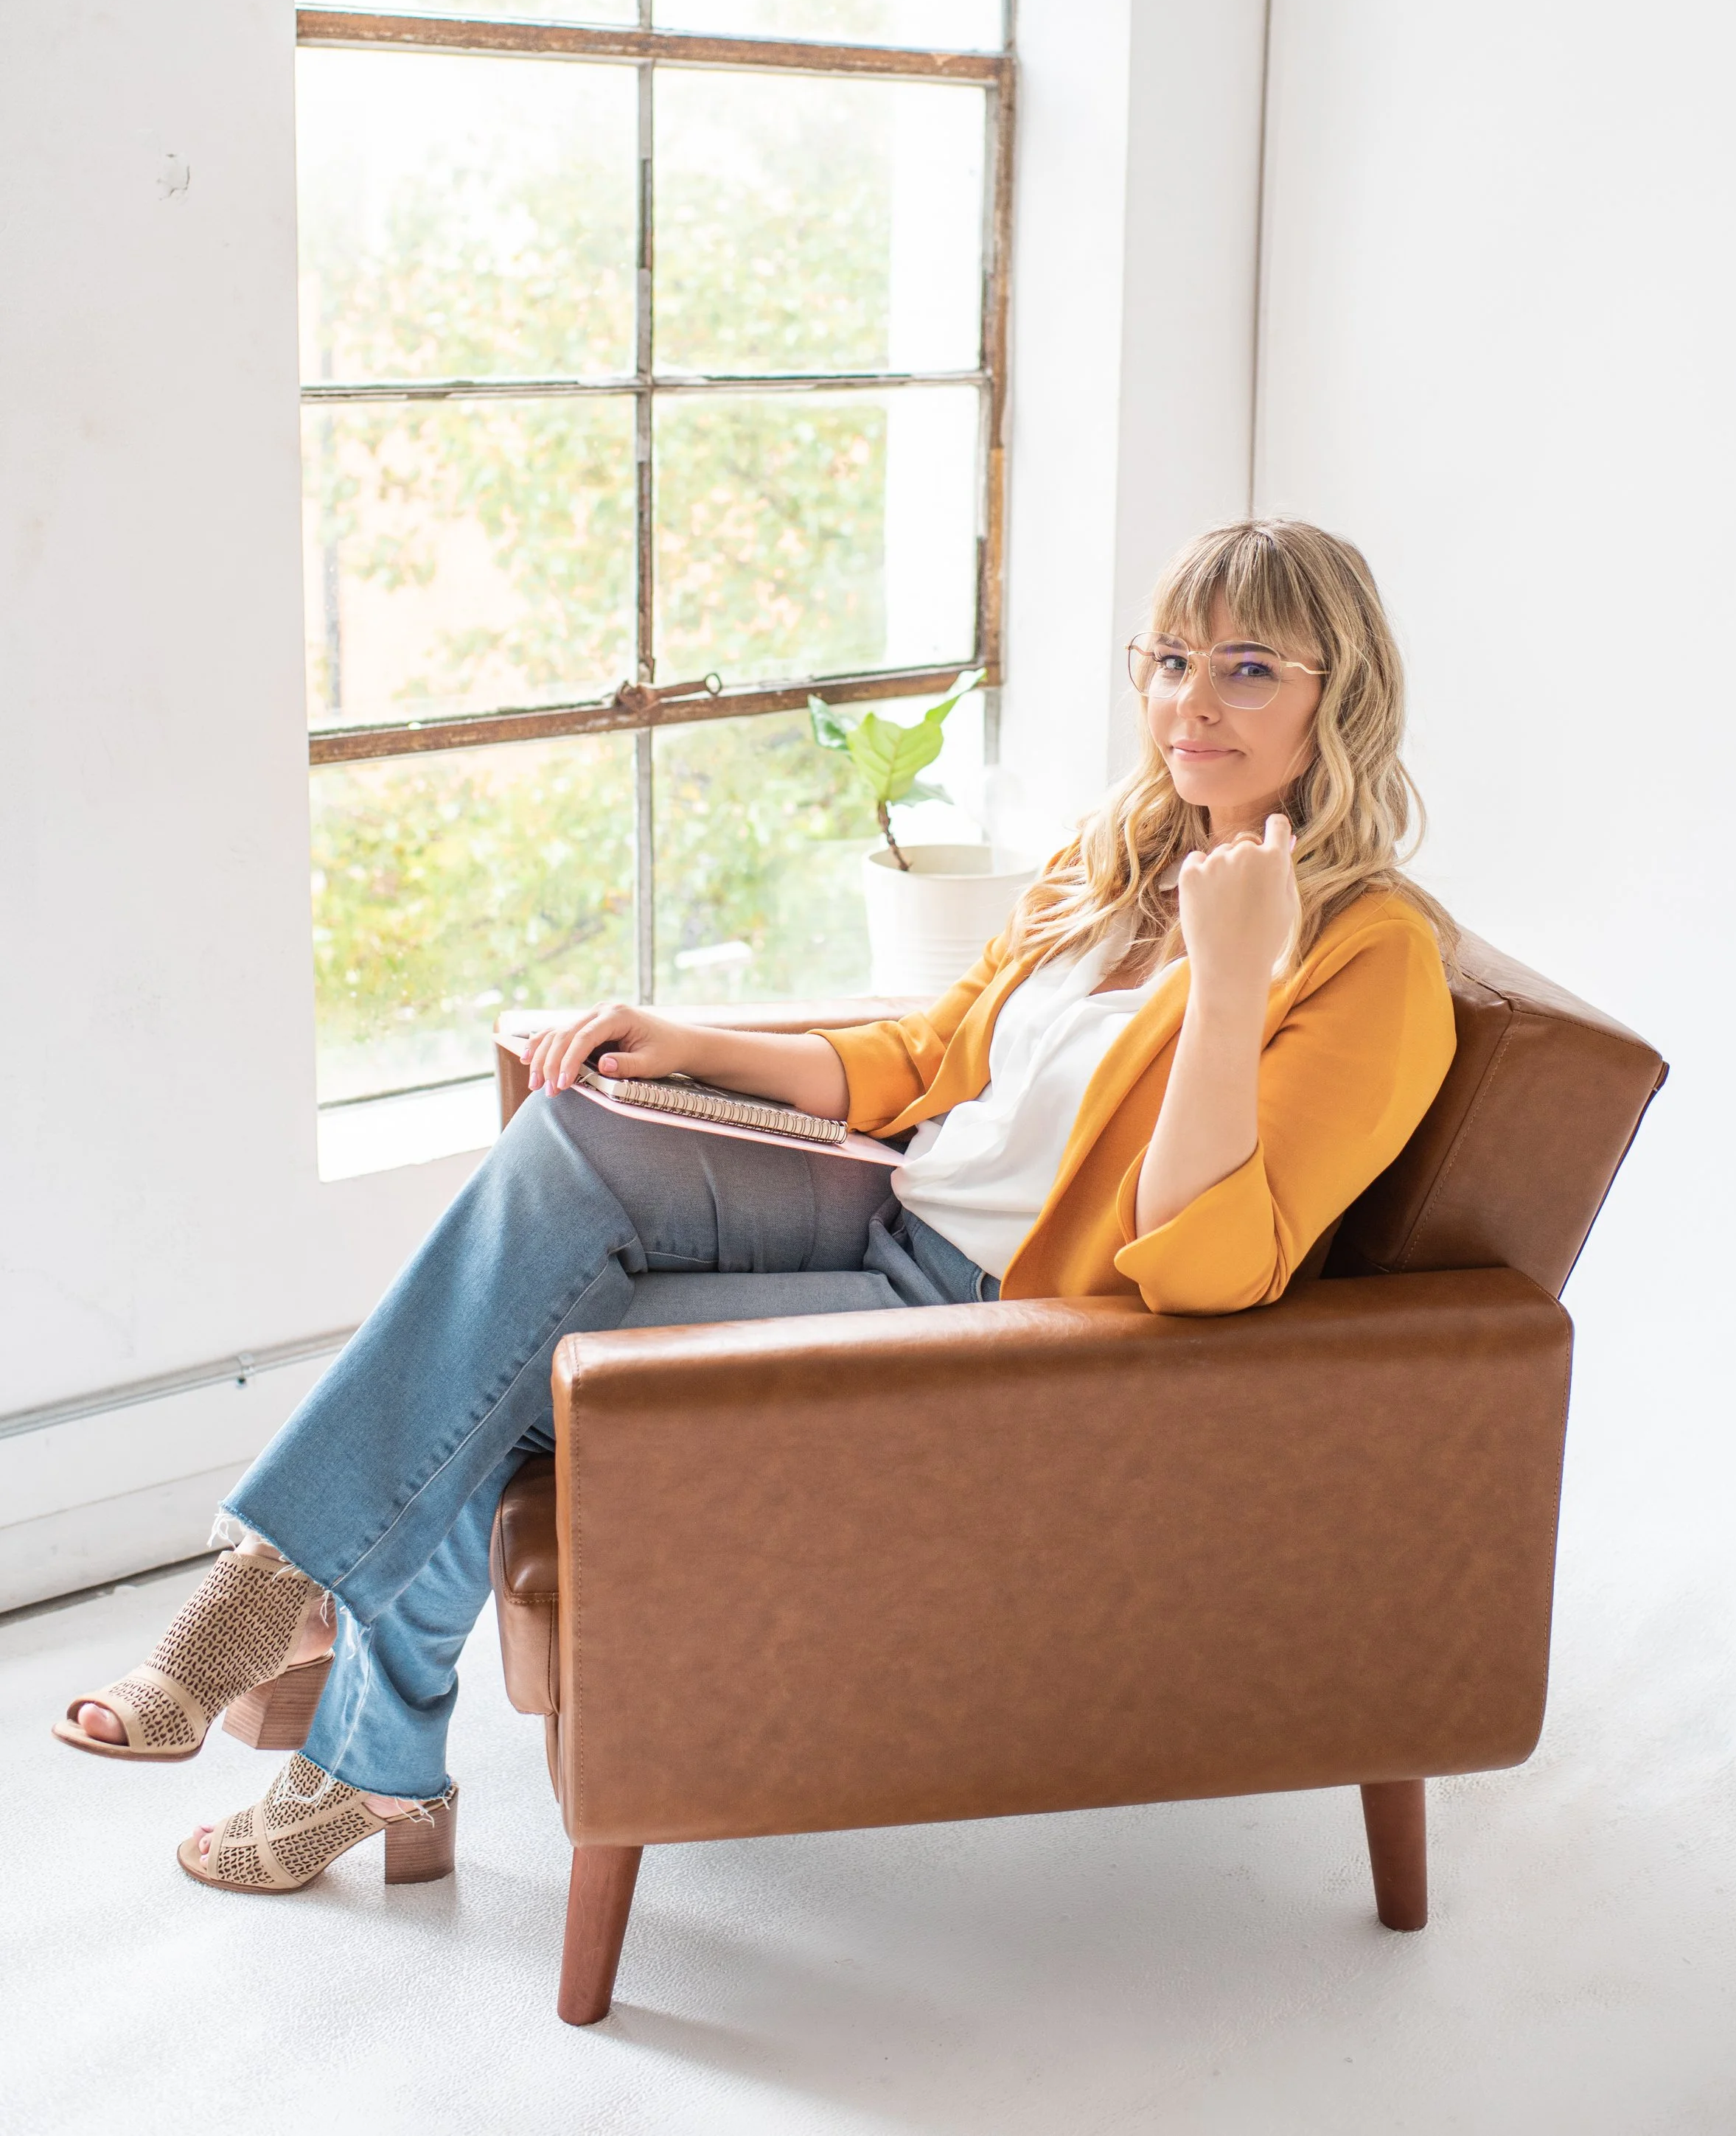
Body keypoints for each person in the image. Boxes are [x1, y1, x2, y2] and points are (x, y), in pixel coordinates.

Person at [54, 518, 1457, 1897]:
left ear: (1344, 694)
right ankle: (298, 1630)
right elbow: (929, 1059)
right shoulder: (1126, 853)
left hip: (991, 1319)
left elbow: (1213, 1270)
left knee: (516, 1361)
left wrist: (1226, 984)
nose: (1188, 704)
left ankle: (330, 1701)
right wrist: (694, 1042)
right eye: (1166, 660)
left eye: (1249, 669)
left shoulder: (1371, 955)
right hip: (883, 1213)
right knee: (567, 1138)